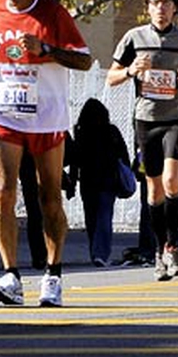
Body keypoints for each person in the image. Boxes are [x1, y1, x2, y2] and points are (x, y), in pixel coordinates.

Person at [0, 0, 94, 308]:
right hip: (4, 111)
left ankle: (52, 274)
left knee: (48, 196)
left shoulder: (54, 14)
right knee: (2, 192)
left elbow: (85, 61)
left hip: (45, 115)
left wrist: (46, 49)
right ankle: (10, 274)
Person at [107, 0, 178, 280]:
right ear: (147, 7)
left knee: (174, 182)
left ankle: (173, 246)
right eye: (155, 2)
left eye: (166, 2)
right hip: (145, 120)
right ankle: (161, 249)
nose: (160, 8)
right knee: (154, 188)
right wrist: (131, 71)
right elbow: (111, 77)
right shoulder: (134, 38)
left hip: (174, 118)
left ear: (175, 7)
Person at [64, 97, 130, 267]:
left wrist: (71, 183)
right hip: (108, 180)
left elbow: (74, 159)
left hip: (88, 181)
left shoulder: (81, 131)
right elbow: (123, 155)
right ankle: (101, 252)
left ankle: (95, 252)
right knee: (104, 218)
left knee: (91, 218)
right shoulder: (111, 131)